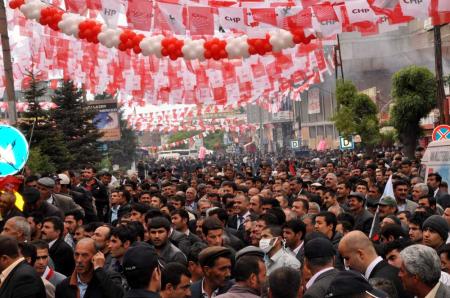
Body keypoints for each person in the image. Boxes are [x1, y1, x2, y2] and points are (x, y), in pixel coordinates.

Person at [338, 230, 408, 298]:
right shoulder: (394, 271)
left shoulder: (379, 283)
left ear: (360, 254)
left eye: (347, 258)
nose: (347, 264)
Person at [55, 238, 124, 298]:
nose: (79, 260)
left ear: (96, 256)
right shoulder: (63, 286)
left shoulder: (110, 278)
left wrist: (99, 270)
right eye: (76, 254)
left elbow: (118, 295)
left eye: (85, 255)